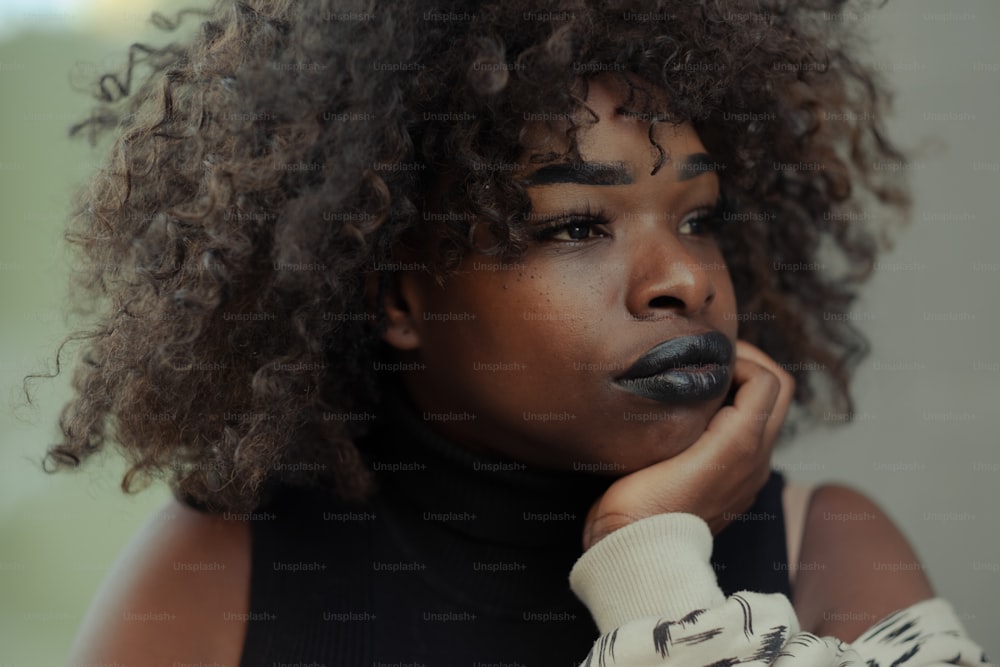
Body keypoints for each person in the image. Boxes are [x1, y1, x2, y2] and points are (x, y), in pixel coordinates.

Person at [45, 1, 989, 665]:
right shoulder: (225, 573)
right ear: (399, 297)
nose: (683, 280)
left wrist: (648, 556)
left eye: (700, 218)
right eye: (576, 226)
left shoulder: (828, 549)